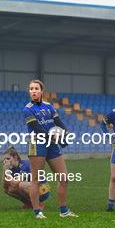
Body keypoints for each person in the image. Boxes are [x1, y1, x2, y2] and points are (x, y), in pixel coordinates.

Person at [24, 79, 77, 219]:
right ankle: (37, 212)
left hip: (52, 144)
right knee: (35, 180)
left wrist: (65, 136)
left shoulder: (50, 107)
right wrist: (55, 138)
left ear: (42, 91)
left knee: (64, 178)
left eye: (36, 88)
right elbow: (38, 129)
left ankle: (64, 211)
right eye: (31, 89)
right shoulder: (27, 109)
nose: (33, 91)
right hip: (37, 144)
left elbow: (59, 124)